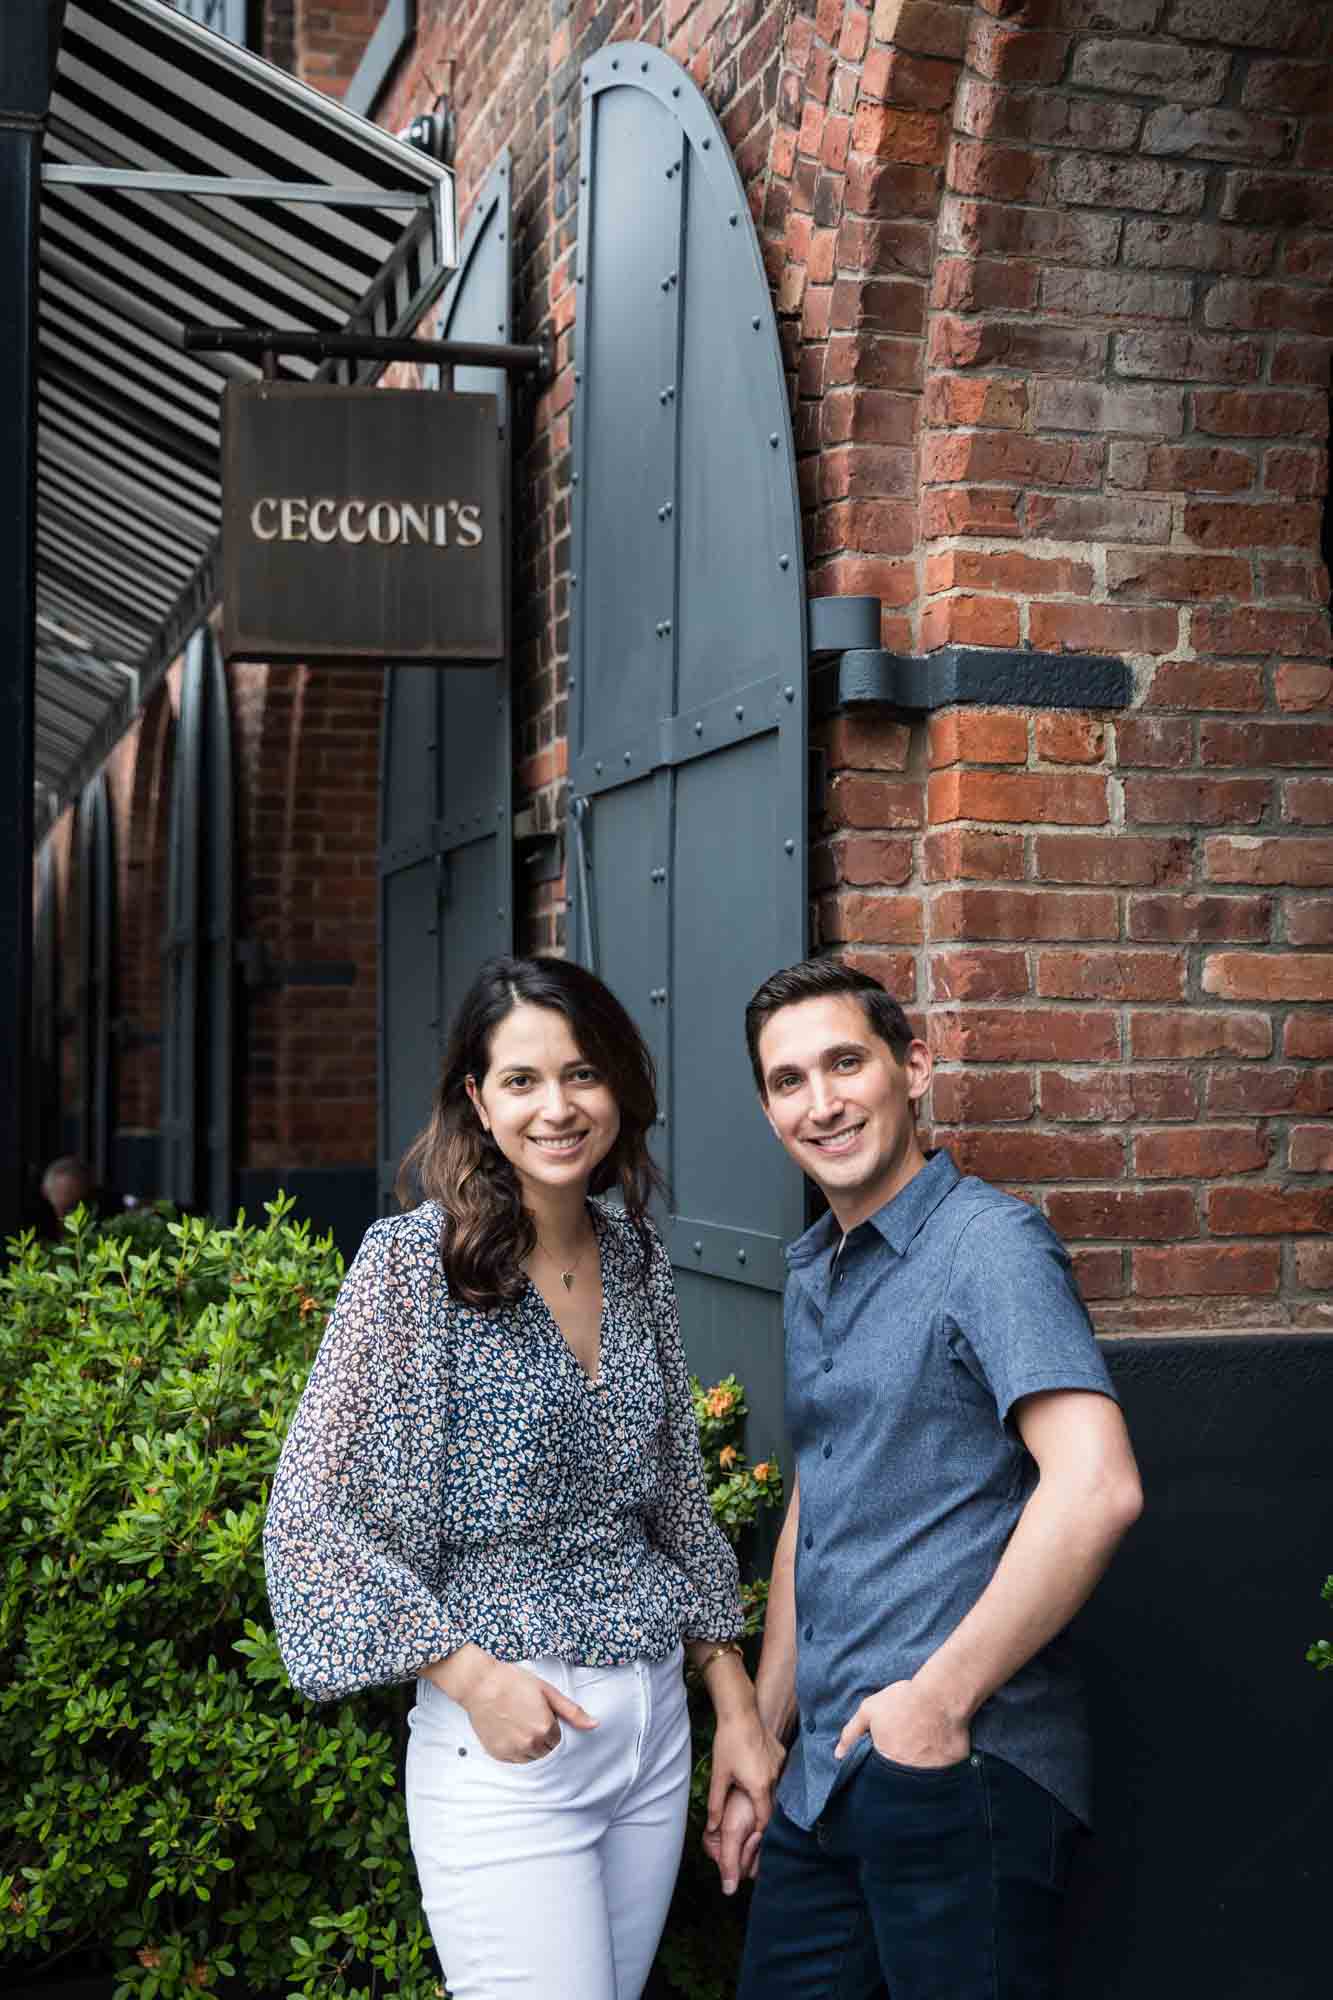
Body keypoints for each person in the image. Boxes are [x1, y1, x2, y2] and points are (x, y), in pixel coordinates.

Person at [263, 955, 782, 2000]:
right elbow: (307, 1518)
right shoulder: (412, 1264)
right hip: (507, 1741)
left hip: (652, 1739)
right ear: (476, 1099)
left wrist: (735, 1704)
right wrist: (467, 1674)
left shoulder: (634, 1251)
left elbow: (675, 1493)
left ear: (619, 1089)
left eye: (582, 1074)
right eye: (521, 1080)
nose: (557, 1106)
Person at [710, 956, 1143, 1999]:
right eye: (787, 1080)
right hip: (823, 1783)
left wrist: (936, 1703)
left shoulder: (987, 1245)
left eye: (845, 1062)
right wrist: (765, 1738)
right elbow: (820, 1496)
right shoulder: (816, 1268)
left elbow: (1096, 1483)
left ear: (913, 1066)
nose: (821, 1102)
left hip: (958, 1766)